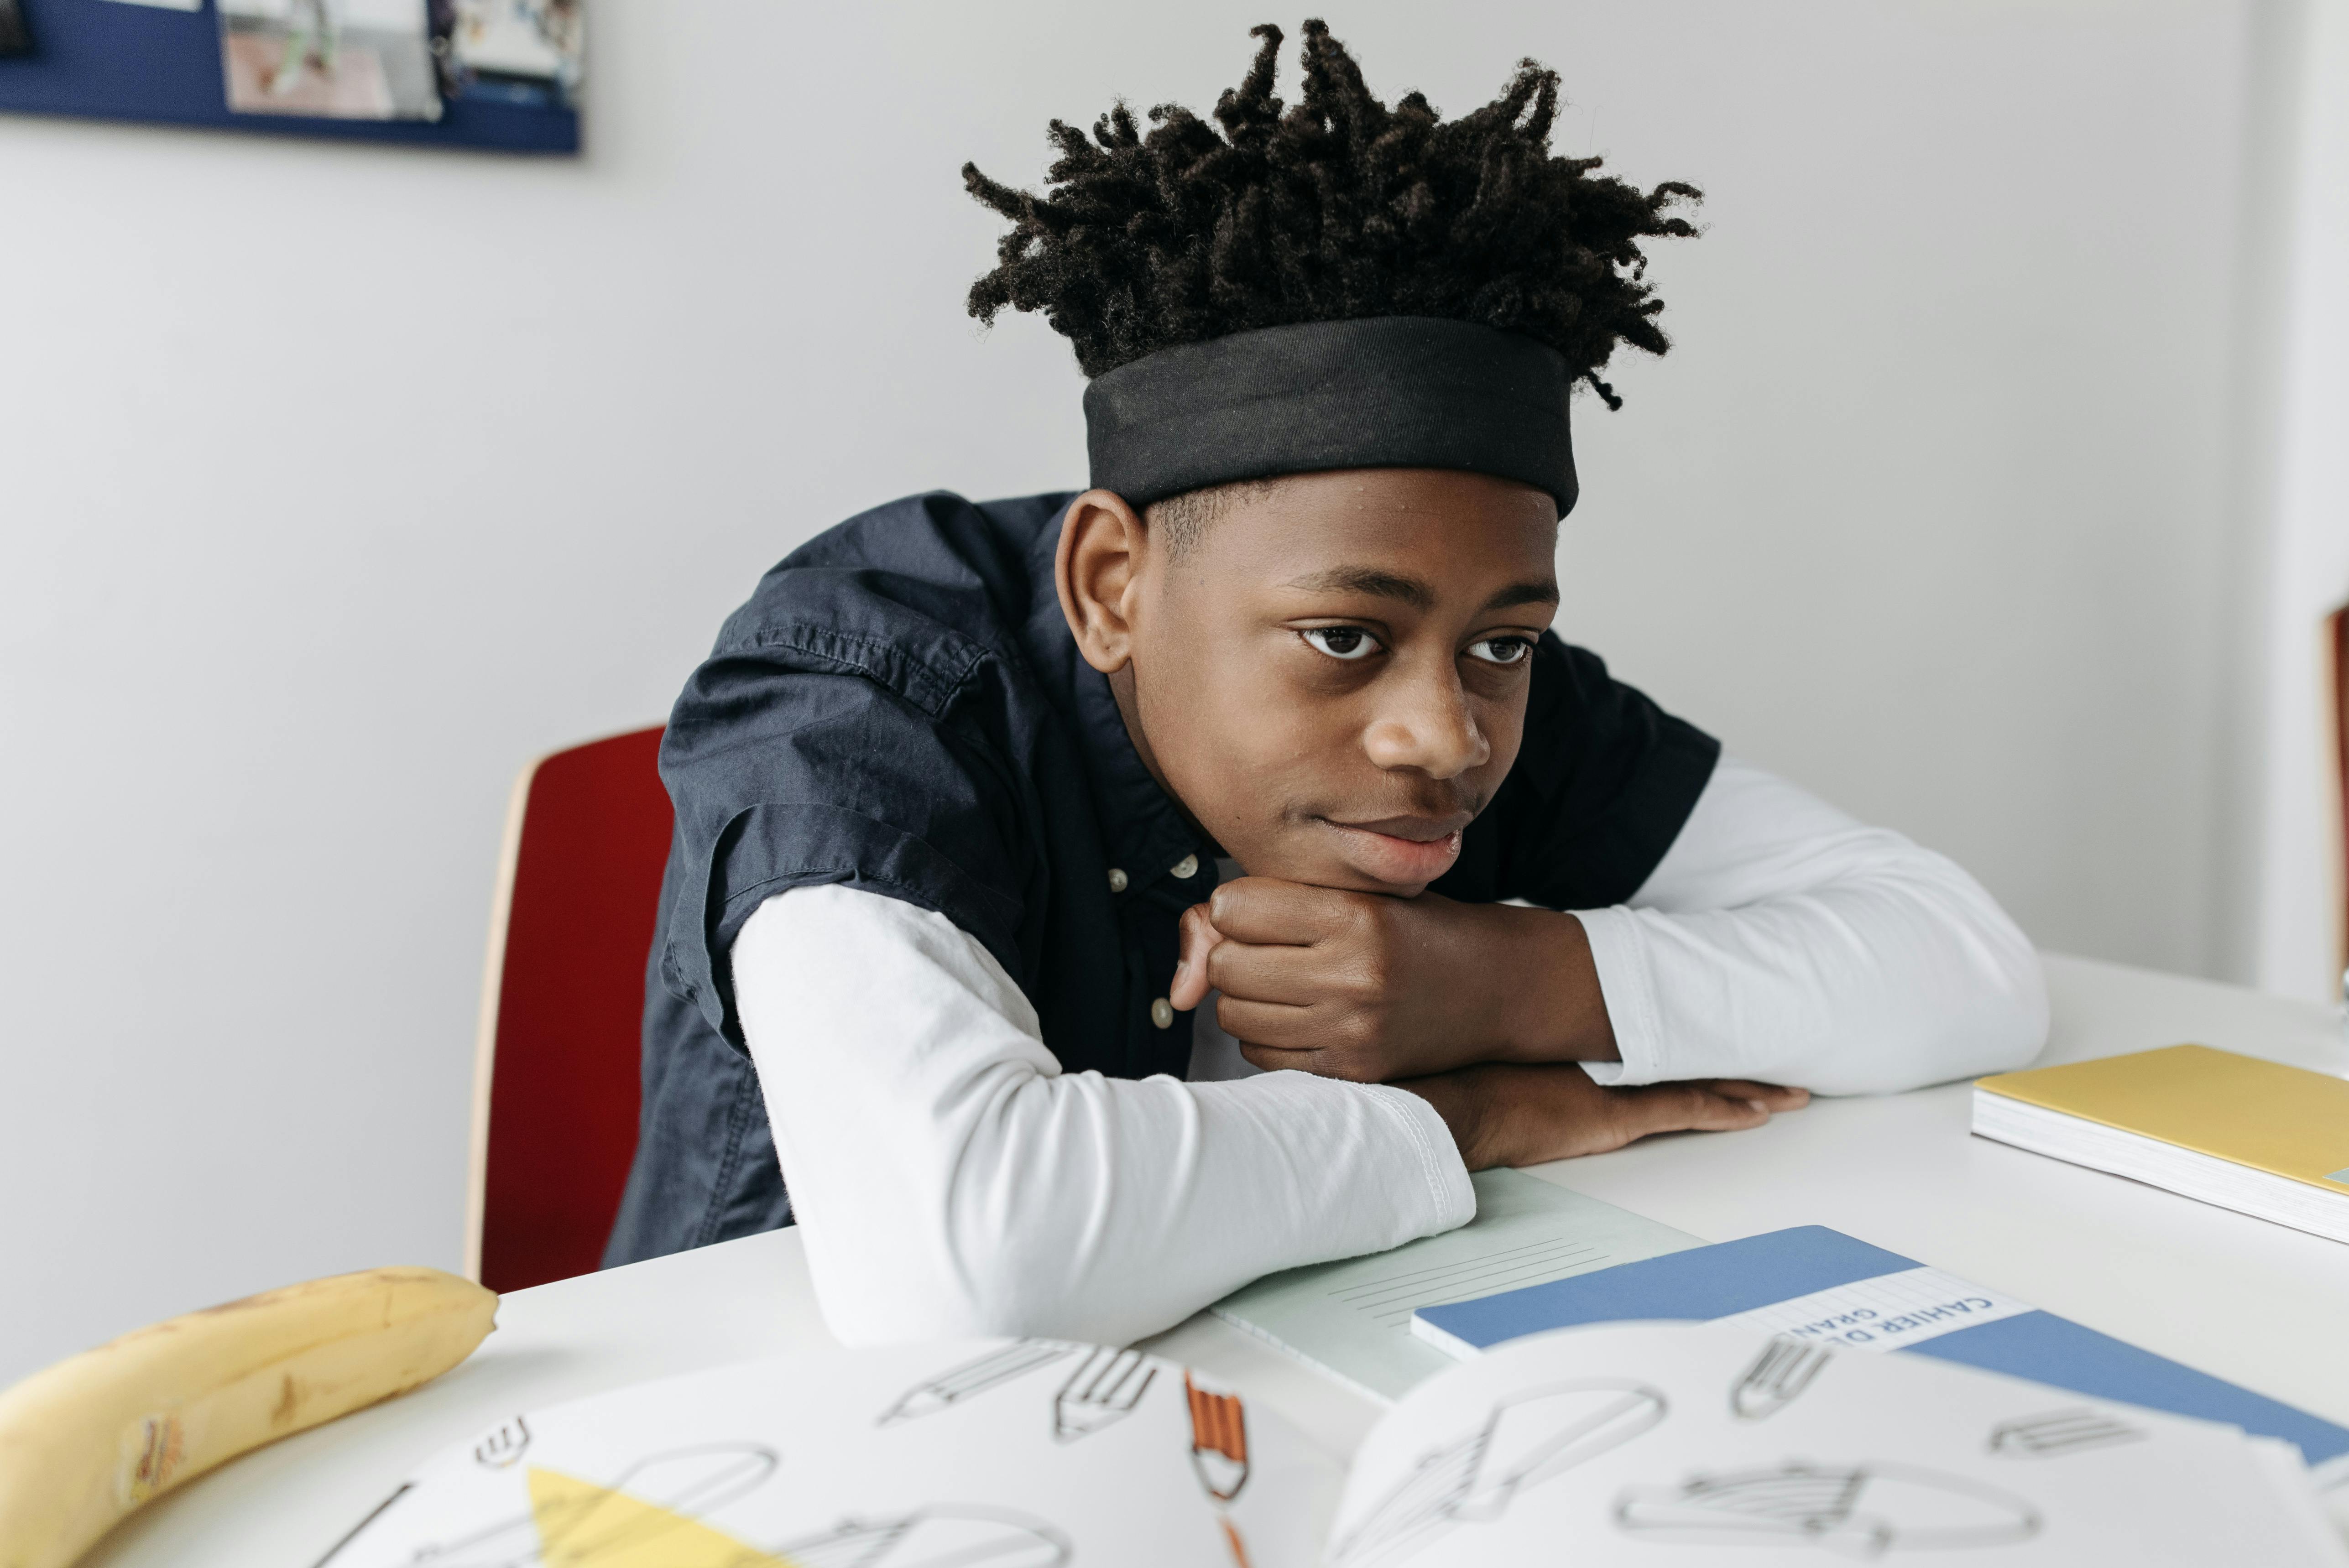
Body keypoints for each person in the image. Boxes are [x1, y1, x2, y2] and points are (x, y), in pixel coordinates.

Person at [602, 21, 2046, 1344]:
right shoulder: (868, 695)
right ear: (1113, 589)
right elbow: (970, 1258)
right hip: (773, 1455)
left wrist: (1498, 981)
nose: (1448, 739)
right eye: (1344, 640)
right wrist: (1463, 1116)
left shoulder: (1464, 678)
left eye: (1505, 639)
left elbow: (1962, 971)